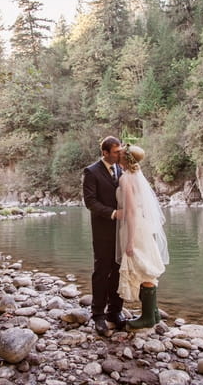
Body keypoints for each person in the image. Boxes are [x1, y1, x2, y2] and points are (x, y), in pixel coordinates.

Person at [115, 144, 169, 330]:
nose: (117, 154)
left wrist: (129, 241)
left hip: (134, 228)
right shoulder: (136, 176)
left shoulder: (125, 178)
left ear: (124, 158)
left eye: (119, 153)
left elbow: (130, 211)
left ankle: (147, 317)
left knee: (142, 266)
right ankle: (153, 314)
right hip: (142, 225)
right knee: (146, 266)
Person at [82, 136, 126, 336]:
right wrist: (113, 213)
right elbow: (90, 202)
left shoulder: (121, 169)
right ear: (105, 153)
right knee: (102, 271)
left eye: (120, 151)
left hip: (122, 230)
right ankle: (98, 314)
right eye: (116, 151)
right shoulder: (91, 172)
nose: (120, 154)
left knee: (119, 270)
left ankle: (115, 312)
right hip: (102, 229)